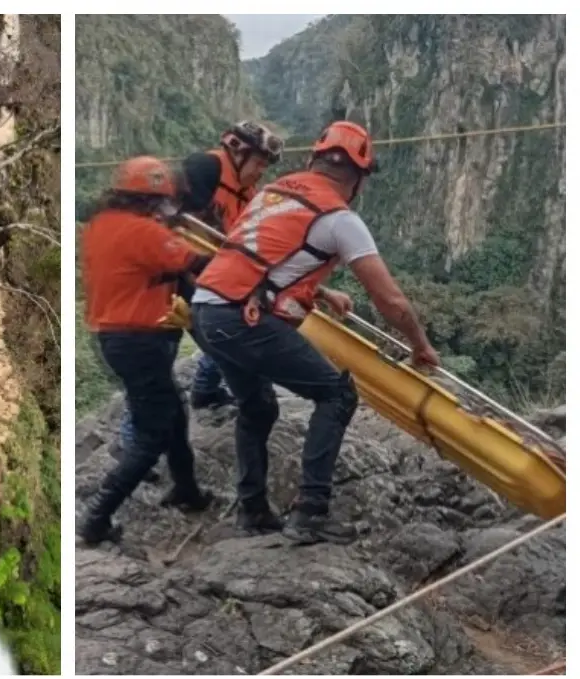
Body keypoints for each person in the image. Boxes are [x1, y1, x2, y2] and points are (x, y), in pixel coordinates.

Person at [189, 120, 441, 546]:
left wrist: (320, 292)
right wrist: (421, 346)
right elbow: (392, 302)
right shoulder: (340, 219)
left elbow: (256, 255)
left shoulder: (275, 192)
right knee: (337, 394)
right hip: (242, 318)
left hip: (206, 311)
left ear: (314, 160)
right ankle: (310, 514)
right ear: (358, 177)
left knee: (258, 407)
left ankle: (252, 511)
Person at [115, 121, 286, 459]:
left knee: (225, 333)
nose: (261, 171)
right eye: (258, 163)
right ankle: (131, 442)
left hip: (203, 278)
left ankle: (205, 390)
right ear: (238, 153)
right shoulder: (204, 169)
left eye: (266, 165)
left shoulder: (247, 195)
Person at [79, 155, 216, 545]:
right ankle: (97, 517)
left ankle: (186, 490)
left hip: (113, 336)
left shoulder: (99, 225)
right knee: (152, 431)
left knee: (172, 408)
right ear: (152, 202)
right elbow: (196, 263)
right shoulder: (147, 234)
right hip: (141, 340)